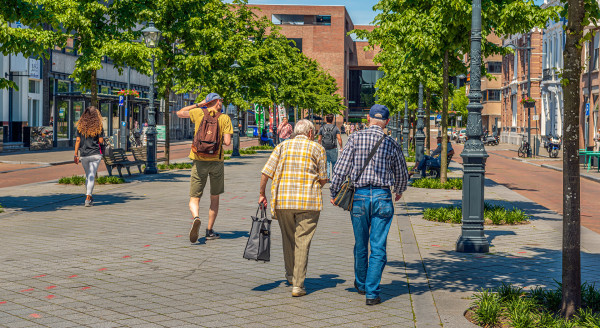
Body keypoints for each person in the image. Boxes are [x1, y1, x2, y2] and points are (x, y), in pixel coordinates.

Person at [330, 104, 409, 306]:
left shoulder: (355, 138)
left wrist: (334, 191)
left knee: (360, 242)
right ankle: (372, 293)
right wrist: (399, 190)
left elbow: (341, 167)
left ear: (368, 118)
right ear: (387, 122)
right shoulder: (391, 142)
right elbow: (401, 172)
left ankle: (361, 283)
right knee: (378, 246)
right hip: (383, 197)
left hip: (360, 196)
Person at [259, 119, 328, 298]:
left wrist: (262, 194)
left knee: (288, 239)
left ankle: (290, 276)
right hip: (308, 202)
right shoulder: (317, 149)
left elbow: (266, 172)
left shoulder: (282, 147)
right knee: (302, 241)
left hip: (283, 201)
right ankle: (298, 285)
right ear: (311, 133)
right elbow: (323, 178)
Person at [176, 93, 233, 242]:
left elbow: (180, 112)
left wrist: (199, 104)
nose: (221, 102)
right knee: (214, 197)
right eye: (220, 100)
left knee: (194, 197)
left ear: (207, 102)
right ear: (217, 102)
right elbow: (227, 142)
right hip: (217, 162)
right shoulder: (224, 118)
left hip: (199, 160)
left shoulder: (198, 112)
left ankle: (196, 217)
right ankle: (209, 230)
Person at [73, 106, 105, 207]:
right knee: (91, 175)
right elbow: (100, 141)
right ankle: (88, 197)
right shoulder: (98, 126)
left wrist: (75, 154)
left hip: (84, 155)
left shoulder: (80, 126)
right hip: (95, 154)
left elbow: (77, 141)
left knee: (88, 175)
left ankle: (89, 197)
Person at [318, 114, 343, 180]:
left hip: (325, 148)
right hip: (333, 147)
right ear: (333, 120)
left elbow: (319, 139)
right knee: (334, 162)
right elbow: (339, 138)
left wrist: (319, 146)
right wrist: (341, 147)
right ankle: (334, 176)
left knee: (327, 162)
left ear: (326, 119)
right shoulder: (335, 128)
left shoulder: (322, 128)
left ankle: (328, 177)